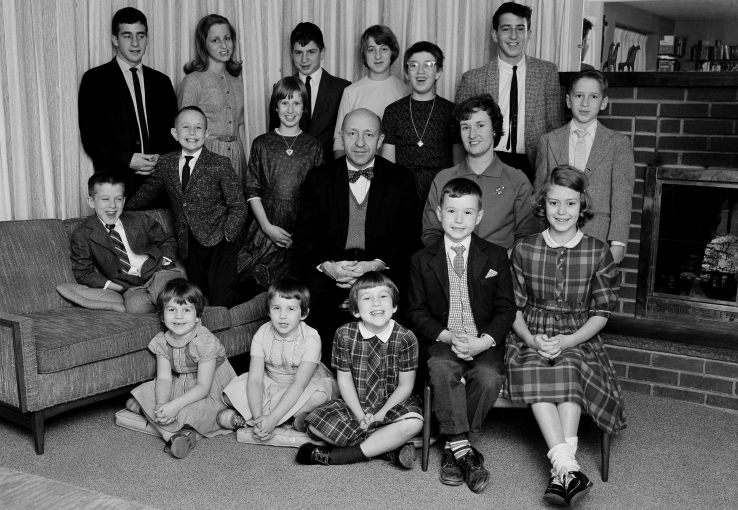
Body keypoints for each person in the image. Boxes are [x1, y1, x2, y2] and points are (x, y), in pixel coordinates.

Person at [506, 166, 626, 506]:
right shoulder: (525, 249)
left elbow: (601, 312)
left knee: (570, 365)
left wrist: (570, 340)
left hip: (578, 335)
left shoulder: (597, 251)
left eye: (570, 204)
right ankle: (568, 467)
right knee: (534, 366)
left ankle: (563, 470)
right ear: (543, 204)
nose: (562, 212)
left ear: (581, 206)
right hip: (530, 331)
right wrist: (530, 339)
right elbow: (512, 307)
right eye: (555, 203)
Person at [407, 178, 516, 493]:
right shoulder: (421, 259)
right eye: (451, 211)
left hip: (482, 340)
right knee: (442, 368)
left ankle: (454, 447)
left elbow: (506, 309)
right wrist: (445, 335)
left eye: (467, 213)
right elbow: (416, 312)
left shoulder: (495, 257)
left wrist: (483, 341)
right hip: (444, 340)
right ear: (439, 213)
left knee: (489, 377)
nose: (458, 220)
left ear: (479, 216)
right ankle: (463, 450)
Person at [292, 108, 419, 364]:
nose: (360, 142)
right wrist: (328, 267)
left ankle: (386, 381)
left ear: (380, 140)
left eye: (368, 134)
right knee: (312, 304)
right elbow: (305, 237)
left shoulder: (401, 179)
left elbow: (409, 237)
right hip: (331, 269)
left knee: (398, 300)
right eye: (352, 133)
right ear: (341, 136)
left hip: (381, 268)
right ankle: (328, 383)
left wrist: (375, 266)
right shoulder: (318, 178)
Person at [296, 272, 423, 468]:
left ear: (394, 306)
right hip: (354, 404)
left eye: (383, 296)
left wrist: (380, 416)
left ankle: (343, 456)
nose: (376, 303)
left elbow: (405, 386)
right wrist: (358, 415)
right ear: (355, 311)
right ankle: (387, 449)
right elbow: (344, 381)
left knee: (414, 423)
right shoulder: (344, 334)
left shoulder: (406, 337)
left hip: (392, 406)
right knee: (314, 424)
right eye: (367, 298)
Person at [127, 106, 247, 308]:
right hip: (189, 245)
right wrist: (121, 206)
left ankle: (252, 288)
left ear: (207, 133)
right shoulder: (166, 163)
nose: (192, 133)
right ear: (175, 133)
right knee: (198, 299)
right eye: (186, 127)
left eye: (198, 128)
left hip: (220, 243)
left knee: (220, 301)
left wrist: (228, 235)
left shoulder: (220, 163)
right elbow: (147, 193)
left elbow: (239, 206)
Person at [125, 279, 237, 458]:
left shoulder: (204, 340)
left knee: (189, 412)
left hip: (209, 388)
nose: (178, 316)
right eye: (172, 310)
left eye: (186, 310)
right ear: (162, 316)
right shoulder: (162, 341)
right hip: (181, 382)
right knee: (142, 393)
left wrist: (174, 406)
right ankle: (176, 434)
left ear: (198, 316)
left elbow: (203, 387)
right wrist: (162, 405)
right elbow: (163, 378)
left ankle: (171, 430)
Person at [455, 2, 564, 183]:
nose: (513, 36)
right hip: (487, 162)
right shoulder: (473, 78)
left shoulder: (547, 72)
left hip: (532, 164)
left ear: (528, 34)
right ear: (494, 35)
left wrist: (553, 175)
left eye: (520, 29)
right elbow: (459, 133)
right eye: (506, 29)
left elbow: (555, 129)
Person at [533, 70, 635, 264]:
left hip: (598, 235)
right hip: (555, 235)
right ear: (568, 101)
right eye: (579, 96)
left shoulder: (618, 143)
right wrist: (540, 237)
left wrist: (618, 242)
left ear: (603, 102)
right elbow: (540, 193)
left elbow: (622, 197)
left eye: (593, 97)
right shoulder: (548, 141)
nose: (585, 103)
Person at [78, 7, 178, 199]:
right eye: (127, 36)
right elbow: (91, 138)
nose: (135, 43)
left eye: (140, 36)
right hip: (116, 186)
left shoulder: (162, 82)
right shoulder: (95, 80)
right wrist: (128, 160)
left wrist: (160, 161)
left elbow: (173, 133)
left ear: (147, 38)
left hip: (160, 185)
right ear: (115, 39)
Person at [218, 277, 334, 437]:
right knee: (231, 392)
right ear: (268, 311)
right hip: (271, 383)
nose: (282, 315)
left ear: (304, 313)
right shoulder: (262, 334)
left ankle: (262, 419)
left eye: (291, 309)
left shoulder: (311, 338)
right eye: (276, 308)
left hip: (302, 385)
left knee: (319, 396)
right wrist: (259, 416)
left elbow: (299, 385)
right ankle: (271, 420)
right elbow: (255, 380)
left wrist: (272, 418)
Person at [422, 95, 539, 251]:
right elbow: (431, 233)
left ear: (495, 130)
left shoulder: (517, 180)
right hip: (451, 269)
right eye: (465, 127)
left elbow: (528, 236)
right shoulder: (444, 178)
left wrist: (502, 263)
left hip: (502, 269)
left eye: (480, 125)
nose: (472, 134)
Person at [240, 77, 324, 291]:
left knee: (296, 287)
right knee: (253, 286)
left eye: (296, 103)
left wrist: (301, 235)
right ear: (275, 107)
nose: (290, 109)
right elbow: (252, 189)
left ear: (304, 108)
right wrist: (267, 228)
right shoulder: (262, 143)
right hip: (265, 226)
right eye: (284, 102)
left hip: (300, 229)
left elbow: (319, 198)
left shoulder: (314, 146)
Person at [70, 172, 183, 313]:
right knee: (135, 307)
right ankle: (177, 301)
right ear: (91, 201)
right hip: (131, 286)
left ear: (123, 201)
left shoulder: (139, 219)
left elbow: (167, 241)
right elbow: (83, 273)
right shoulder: (82, 234)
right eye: (105, 199)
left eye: (118, 199)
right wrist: (117, 287)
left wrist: (165, 261)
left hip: (158, 272)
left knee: (166, 291)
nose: (112, 206)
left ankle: (178, 309)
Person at [381, 41, 463, 206]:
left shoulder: (452, 112)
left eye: (428, 65)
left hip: (441, 192)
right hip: (402, 192)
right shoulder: (393, 111)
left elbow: (459, 163)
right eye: (414, 65)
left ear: (438, 71)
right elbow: (388, 164)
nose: (420, 72)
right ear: (406, 72)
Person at [268, 22, 350, 161]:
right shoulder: (280, 88)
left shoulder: (343, 88)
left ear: (322, 52)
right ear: (291, 54)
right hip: (290, 168)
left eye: (311, 52)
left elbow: (346, 137)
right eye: (298, 53)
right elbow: (274, 136)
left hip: (328, 170)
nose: (304, 59)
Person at [178, 14, 246, 177]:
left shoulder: (237, 82)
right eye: (215, 40)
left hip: (236, 156)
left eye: (227, 38)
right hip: (206, 157)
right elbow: (185, 133)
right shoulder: (193, 81)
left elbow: (237, 127)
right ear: (204, 44)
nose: (224, 45)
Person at [333, 25, 409, 159]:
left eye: (384, 49)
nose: (378, 56)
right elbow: (339, 143)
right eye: (371, 50)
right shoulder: (351, 92)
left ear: (392, 52)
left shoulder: (405, 91)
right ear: (364, 54)